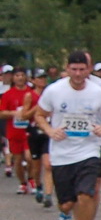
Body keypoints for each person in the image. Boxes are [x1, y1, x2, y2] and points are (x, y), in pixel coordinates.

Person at [34, 51, 101, 220]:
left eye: (82, 69)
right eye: (74, 69)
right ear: (67, 69)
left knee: (86, 194)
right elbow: (40, 115)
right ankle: (65, 214)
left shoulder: (97, 92)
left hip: (88, 151)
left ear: (88, 70)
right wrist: (50, 131)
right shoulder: (54, 90)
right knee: (67, 203)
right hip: (62, 153)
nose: (78, 74)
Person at [2, 68, 35, 196]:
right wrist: (14, 113)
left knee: (30, 157)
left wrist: (29, 114)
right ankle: (23, 183)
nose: (20, 78)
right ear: (13, 78)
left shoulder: (31, 93)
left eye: (22, 75)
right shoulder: (8, 94)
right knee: (18, 160)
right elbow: (2, 113)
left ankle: (31, 179)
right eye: (17, 75)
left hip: (29, 131)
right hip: (14, 131)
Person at [27, 72, 53, 206]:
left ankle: (48, 195)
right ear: (33, 80)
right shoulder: (29, 95)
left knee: (48, 164)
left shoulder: (51, 93)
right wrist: (37, 108)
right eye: (39, 78)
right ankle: (38, 185)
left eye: (44, 78)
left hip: (48, 131)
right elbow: (24, 115)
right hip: (34, 132)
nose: (42, 80)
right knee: (36, 167)